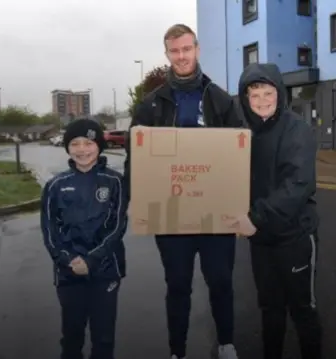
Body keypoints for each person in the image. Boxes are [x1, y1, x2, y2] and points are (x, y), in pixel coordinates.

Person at [123, 24, 243, 359]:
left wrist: (239, 204)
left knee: (220, 282)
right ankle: (178, 350)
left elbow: (238, 153)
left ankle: (226, 343)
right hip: (171, 213)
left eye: (186, 49)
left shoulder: (220, 99)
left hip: (215, 212)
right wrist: (138, 200)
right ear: (167, 55)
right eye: (174, 51)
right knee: (177, 285)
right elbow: (137, 158)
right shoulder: (151, 104)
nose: (181, 56)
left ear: (197, 49)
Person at [225, 63, 323, 359]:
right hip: (262, 241)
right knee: (270, 309)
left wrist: (254, 218)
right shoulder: (244, 136)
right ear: (245, 100)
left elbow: (299, 185)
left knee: (302, 309)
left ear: (280, 93)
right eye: (254, 96)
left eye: (268, 93)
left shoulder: (297, 130)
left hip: (294, 238)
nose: (262, 101)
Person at [41, 118, 128, 359]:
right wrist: (67, 260)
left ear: (99, 145)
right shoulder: (55, 185)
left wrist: (91, 260)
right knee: (72, 336)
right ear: (67, 148)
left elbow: (117, 227)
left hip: (105, 271)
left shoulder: (115, 182)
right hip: (68, 272)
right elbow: (49, 231)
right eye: (75, 143)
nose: (82, 150)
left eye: (88, 143)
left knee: (103, 337)